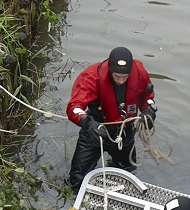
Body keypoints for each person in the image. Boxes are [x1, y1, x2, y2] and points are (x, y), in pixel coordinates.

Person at [66, 47, 157, 190]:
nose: (121, 81)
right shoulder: (92, 77)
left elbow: (147, 98)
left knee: (127, 171)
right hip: (95, 130)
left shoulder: (140, 74)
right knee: (76, 181)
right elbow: (74, 107)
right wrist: (86, 122)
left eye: (124, 77)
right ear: (109, 70)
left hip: (124, 131)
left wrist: (148, 112)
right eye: (117, 76)